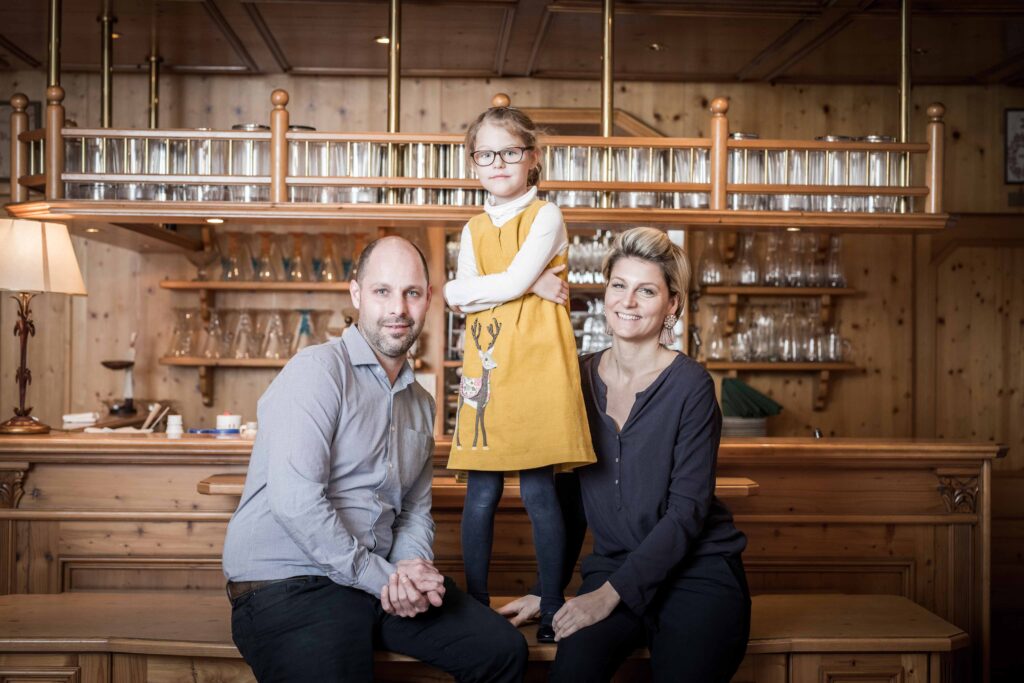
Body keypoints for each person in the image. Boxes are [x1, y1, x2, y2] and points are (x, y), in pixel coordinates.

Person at [222, 236, 528, 682]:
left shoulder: (420, 404)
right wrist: (384, 577)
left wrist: (410, 568)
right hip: (288, 585)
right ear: (356, 295)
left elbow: (413, 515)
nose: (398, 309)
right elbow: (296, 503)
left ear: (428, 300)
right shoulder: (317, 371)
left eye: (412, 293)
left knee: (502, 650)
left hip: (372, 581)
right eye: (382, 291)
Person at [499, 227, 751, 682]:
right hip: (612, 568)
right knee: (570, 674)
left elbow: (687, 512)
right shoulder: (576, 378)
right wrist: (548, 590)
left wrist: (609, 595)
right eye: (619, 285)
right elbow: (571, 503)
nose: (628, 302)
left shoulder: (691, 386)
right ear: (606, 289)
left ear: (672, 304)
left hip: (697, 573)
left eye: (646, 290)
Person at [444, 104, 597, 642]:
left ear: (532, 158)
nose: (498, 162)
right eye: (486, 154)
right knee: (479, 497)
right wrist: (525, 283)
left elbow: (479, 290)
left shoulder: (548, 216)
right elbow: (452, 294)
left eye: (510, 152)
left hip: (536, 366)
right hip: (488, 368)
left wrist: (510, 283)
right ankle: (476, 607)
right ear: (473, 164)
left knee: (539, 494)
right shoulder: (472, 226)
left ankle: (553, 607)